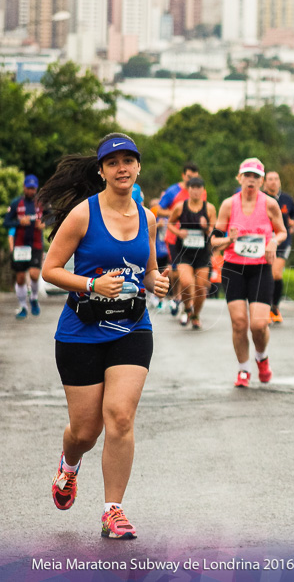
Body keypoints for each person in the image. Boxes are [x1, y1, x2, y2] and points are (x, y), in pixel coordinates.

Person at [38, 133, 170, 540]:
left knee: (120, 416)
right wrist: (93, 286)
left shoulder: (147, 217)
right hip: (81, 331)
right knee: (85, 431)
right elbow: (50, 270)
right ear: (101, 171)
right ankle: (69, 464)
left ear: (138, 167)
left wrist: (156, 281)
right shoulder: (82, 215)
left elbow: (146, 269)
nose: (122, 168)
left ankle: (113, 510)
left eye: (129, 160)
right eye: (113, 163)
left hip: (131, 328)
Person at [210, 158, 288, 388]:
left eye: (255, 176)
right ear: (239, 178)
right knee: (239, 323)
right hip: (234, 268)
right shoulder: (228, 205)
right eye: (247, 176)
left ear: (262, 181)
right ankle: (243, 369)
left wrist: (274, 241)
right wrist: (229, 239)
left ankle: (261, 357)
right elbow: (214, 241)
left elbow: (282, 231)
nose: (251, 180)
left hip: (261, 268)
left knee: (258, 324)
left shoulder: (270, 204)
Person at [167, 177, 216, 329]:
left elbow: (214, 233)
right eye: (192, 188)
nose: (195, 191)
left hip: (202, 254)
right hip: (184, 253)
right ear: (188, 190)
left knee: (201, 288)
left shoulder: (209, 209)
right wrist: (178, 232)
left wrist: (206, 226)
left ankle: (195, 315)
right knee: (187, 282)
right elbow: (169, 223)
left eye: (198, 188)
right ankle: (187, 307)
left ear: (203, 190)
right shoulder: (181, 207)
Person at [156, 162, 201, 317]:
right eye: (189, 177)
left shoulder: (200, 191)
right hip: (175, 236)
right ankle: (175, 297)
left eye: (194, 178)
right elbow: (159, 209)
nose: (191, 181)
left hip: (194, 238)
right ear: (183, 176)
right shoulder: (173, 191)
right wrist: (176, 214)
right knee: (175, 271)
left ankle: (183, 299)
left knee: (190, 271)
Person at [4, 174, 46, 319]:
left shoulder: (42, 203)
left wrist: (44, 224)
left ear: (36, 189)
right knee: (20, 278)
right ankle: (23, 306)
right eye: (29, 188)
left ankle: (34, 298)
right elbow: (6, 222)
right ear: (24, 187)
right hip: (20, 246)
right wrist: (19, 223)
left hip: (36, 244)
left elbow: (53, 216)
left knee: (34, 274)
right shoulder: (16, 203)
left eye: (33, 188)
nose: (31, 191)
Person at [262, 171, 294, 324]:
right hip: (264, 240)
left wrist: (293, 223)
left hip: (282, 240)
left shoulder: (287, 199)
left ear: (280, 182)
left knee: (276, 273)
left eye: (276, 179)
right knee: (266, 273)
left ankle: (274, 306)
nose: (273, 182)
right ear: (265, 182)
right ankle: (265, 307)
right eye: (270, 179)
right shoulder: (260, 198)